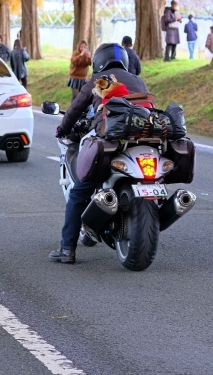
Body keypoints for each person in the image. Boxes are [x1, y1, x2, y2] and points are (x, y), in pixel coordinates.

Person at [49, 43, 149, 264]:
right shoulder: (137, 80)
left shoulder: (99, 79)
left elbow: (75, 108)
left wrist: (62, 130)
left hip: (110, 140)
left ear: (99, 62)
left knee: (78, 192)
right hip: (142, 139)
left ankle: (67, 249)